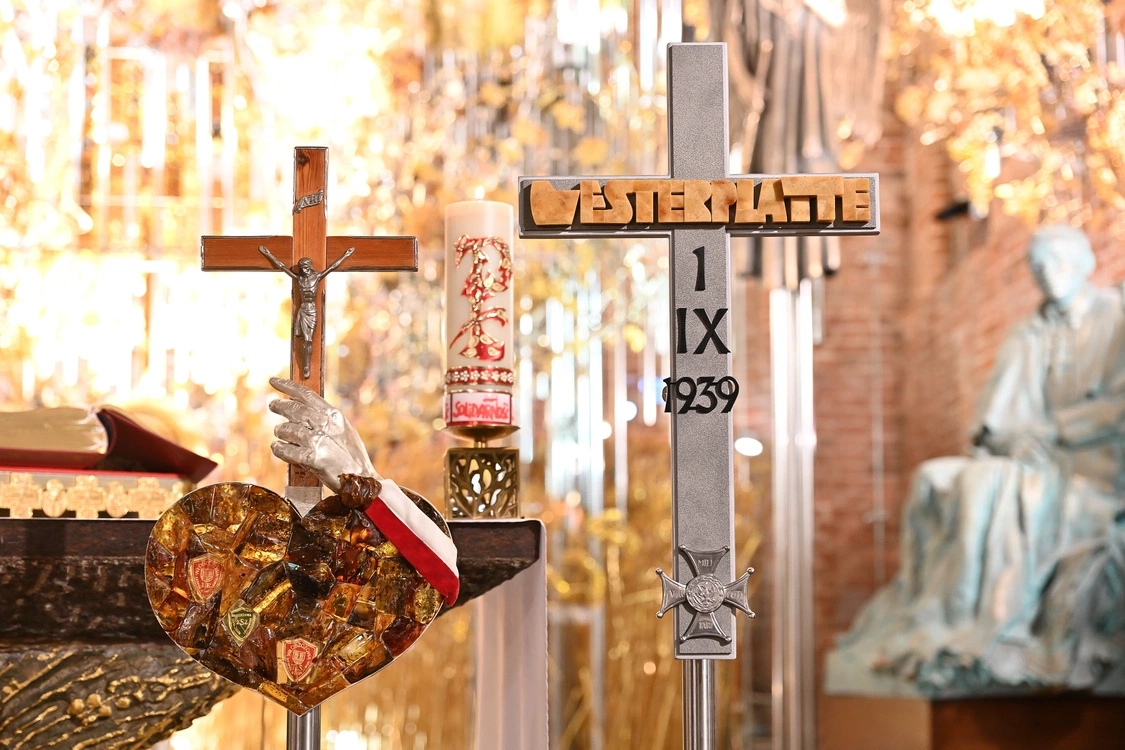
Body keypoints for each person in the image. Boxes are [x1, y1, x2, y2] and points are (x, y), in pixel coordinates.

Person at [827, 224, 1125, 696]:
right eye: (1038, 266)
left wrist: (1055, 430)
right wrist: (1009, 438)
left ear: (1086, 263)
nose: (1048, 274)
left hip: (1092, 461)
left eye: (1058, 262)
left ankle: (981, 624)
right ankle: (926, 613)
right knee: (934, 478)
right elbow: (996, 416)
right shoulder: (1031, 330)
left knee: (987, 488)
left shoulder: (1115, 318)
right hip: (1030, 456)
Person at [258, 246, 355, 378]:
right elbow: (282, 267)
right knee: (306, 339)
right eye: (302, 268)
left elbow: (332, 267)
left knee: (309, 339)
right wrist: (268, 254)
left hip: (312, 311)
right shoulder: (299, 279)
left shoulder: (317, 277)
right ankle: (305, 366)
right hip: (303, 310)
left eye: (305, 267)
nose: (304, 270)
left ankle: (306, 365)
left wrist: (346, 255)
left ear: (309, 267)